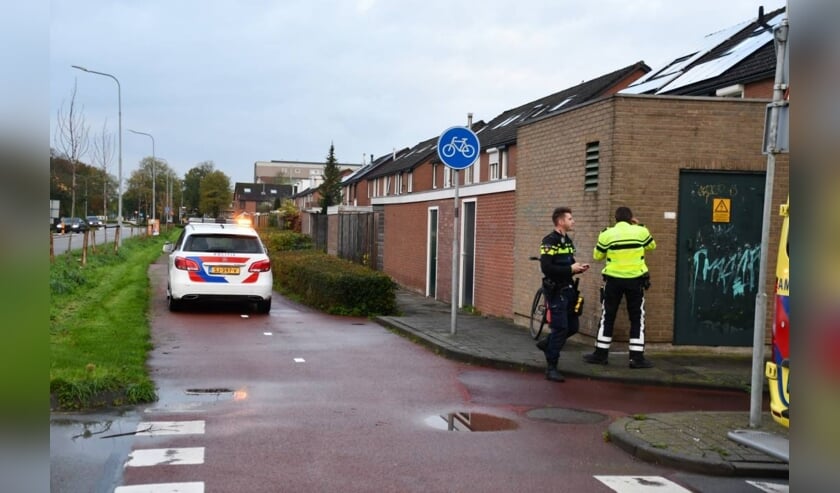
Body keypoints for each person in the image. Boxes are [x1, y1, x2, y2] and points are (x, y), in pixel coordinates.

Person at [583, 206, 656, 369]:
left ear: (615, 219)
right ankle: (636, 358)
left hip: (613, 281)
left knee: (607, 315)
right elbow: (652, 246)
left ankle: (600, 355)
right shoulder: (641, 232)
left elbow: (597, 256)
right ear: (631, 219)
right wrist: (638, 226)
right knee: (637, 317)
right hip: (636, 280)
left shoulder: (606, 234)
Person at [536, 206, 590, 382]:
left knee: (572, 327)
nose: (573, 221)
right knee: (560, 328)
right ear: (560, 222)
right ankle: (551, 368)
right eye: (570, 219)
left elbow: (570, 262)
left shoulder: (567, 241)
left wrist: (578, 268)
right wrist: (569, 269)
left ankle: (547, 344)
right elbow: (547, 267)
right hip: (556, 290)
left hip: (569, 289)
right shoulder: (549, 241)